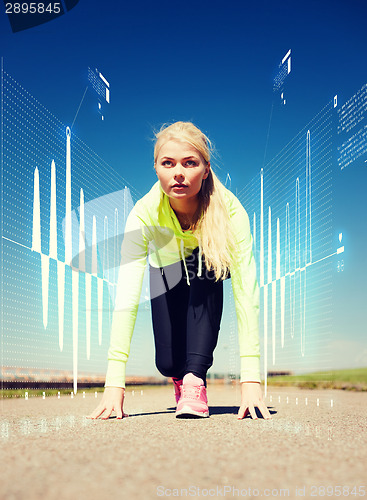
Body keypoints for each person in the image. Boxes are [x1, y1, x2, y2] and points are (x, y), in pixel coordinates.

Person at [87, 121, 271, 421]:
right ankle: (180, 376)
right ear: (156, 168)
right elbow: (127, 296)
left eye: (190, 163)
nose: (179, 173)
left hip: (207, 266)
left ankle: (194, 381)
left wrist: (250, 379)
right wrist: (114, 383)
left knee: (207, 263)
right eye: (168, 163)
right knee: (169, 363)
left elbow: (245, 292)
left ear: (206, 168)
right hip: (165, 270)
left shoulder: (231, 211)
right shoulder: (144, 213)